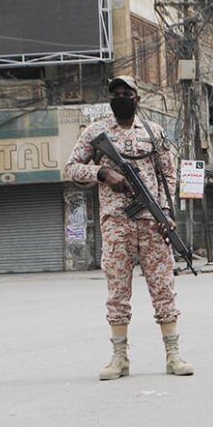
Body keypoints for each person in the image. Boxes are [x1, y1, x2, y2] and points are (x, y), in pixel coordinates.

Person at [65, 76, 193, 380]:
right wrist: (102, 172)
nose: (121, 97)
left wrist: (166, 212)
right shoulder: (95, 132)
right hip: (115, 224)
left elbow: (168, 175)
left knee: (163, 288)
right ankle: (119, 358)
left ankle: (173, 355)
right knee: (118, 292)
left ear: (137, 98)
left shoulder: (154, 132)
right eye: (116, 93)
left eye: (127, 93)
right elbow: (71, 168)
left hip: (152, 223)